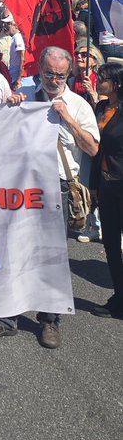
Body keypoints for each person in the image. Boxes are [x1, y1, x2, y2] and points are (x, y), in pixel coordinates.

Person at [0, 47, 99, 349]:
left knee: (52, 257)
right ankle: (7, 318)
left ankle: (50, 320)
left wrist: (67, 118)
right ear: (39, 70)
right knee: (12, 251)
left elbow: (93, 148)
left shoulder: (78, 104)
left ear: (68, 74)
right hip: (20, 185)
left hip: (57, 187)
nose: (53, 80)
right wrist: (10, 108)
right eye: (48, 74)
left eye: (60, 76)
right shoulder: (26, 94)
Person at [91, 66, 123, 317]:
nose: (98, 81)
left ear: (117, 84)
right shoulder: (101, 107)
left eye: (103, 78)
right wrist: (93, 185)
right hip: (105, 184)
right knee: (110, 243)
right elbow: (95, 148)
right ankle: (119, 296)